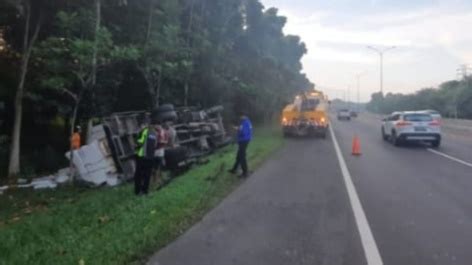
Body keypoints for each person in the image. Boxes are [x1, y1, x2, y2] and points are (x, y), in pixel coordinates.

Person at [134, 122, 157, 195]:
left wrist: (135, 140)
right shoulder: (154, 133)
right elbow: (155, 145)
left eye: (141, 125)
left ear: (143, 125)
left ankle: (137, 192)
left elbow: (140, 142)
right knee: (147, 175)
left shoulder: (145, 131)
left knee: (138, 175)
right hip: (151, 157)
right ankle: (145, 191)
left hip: (142, 156)